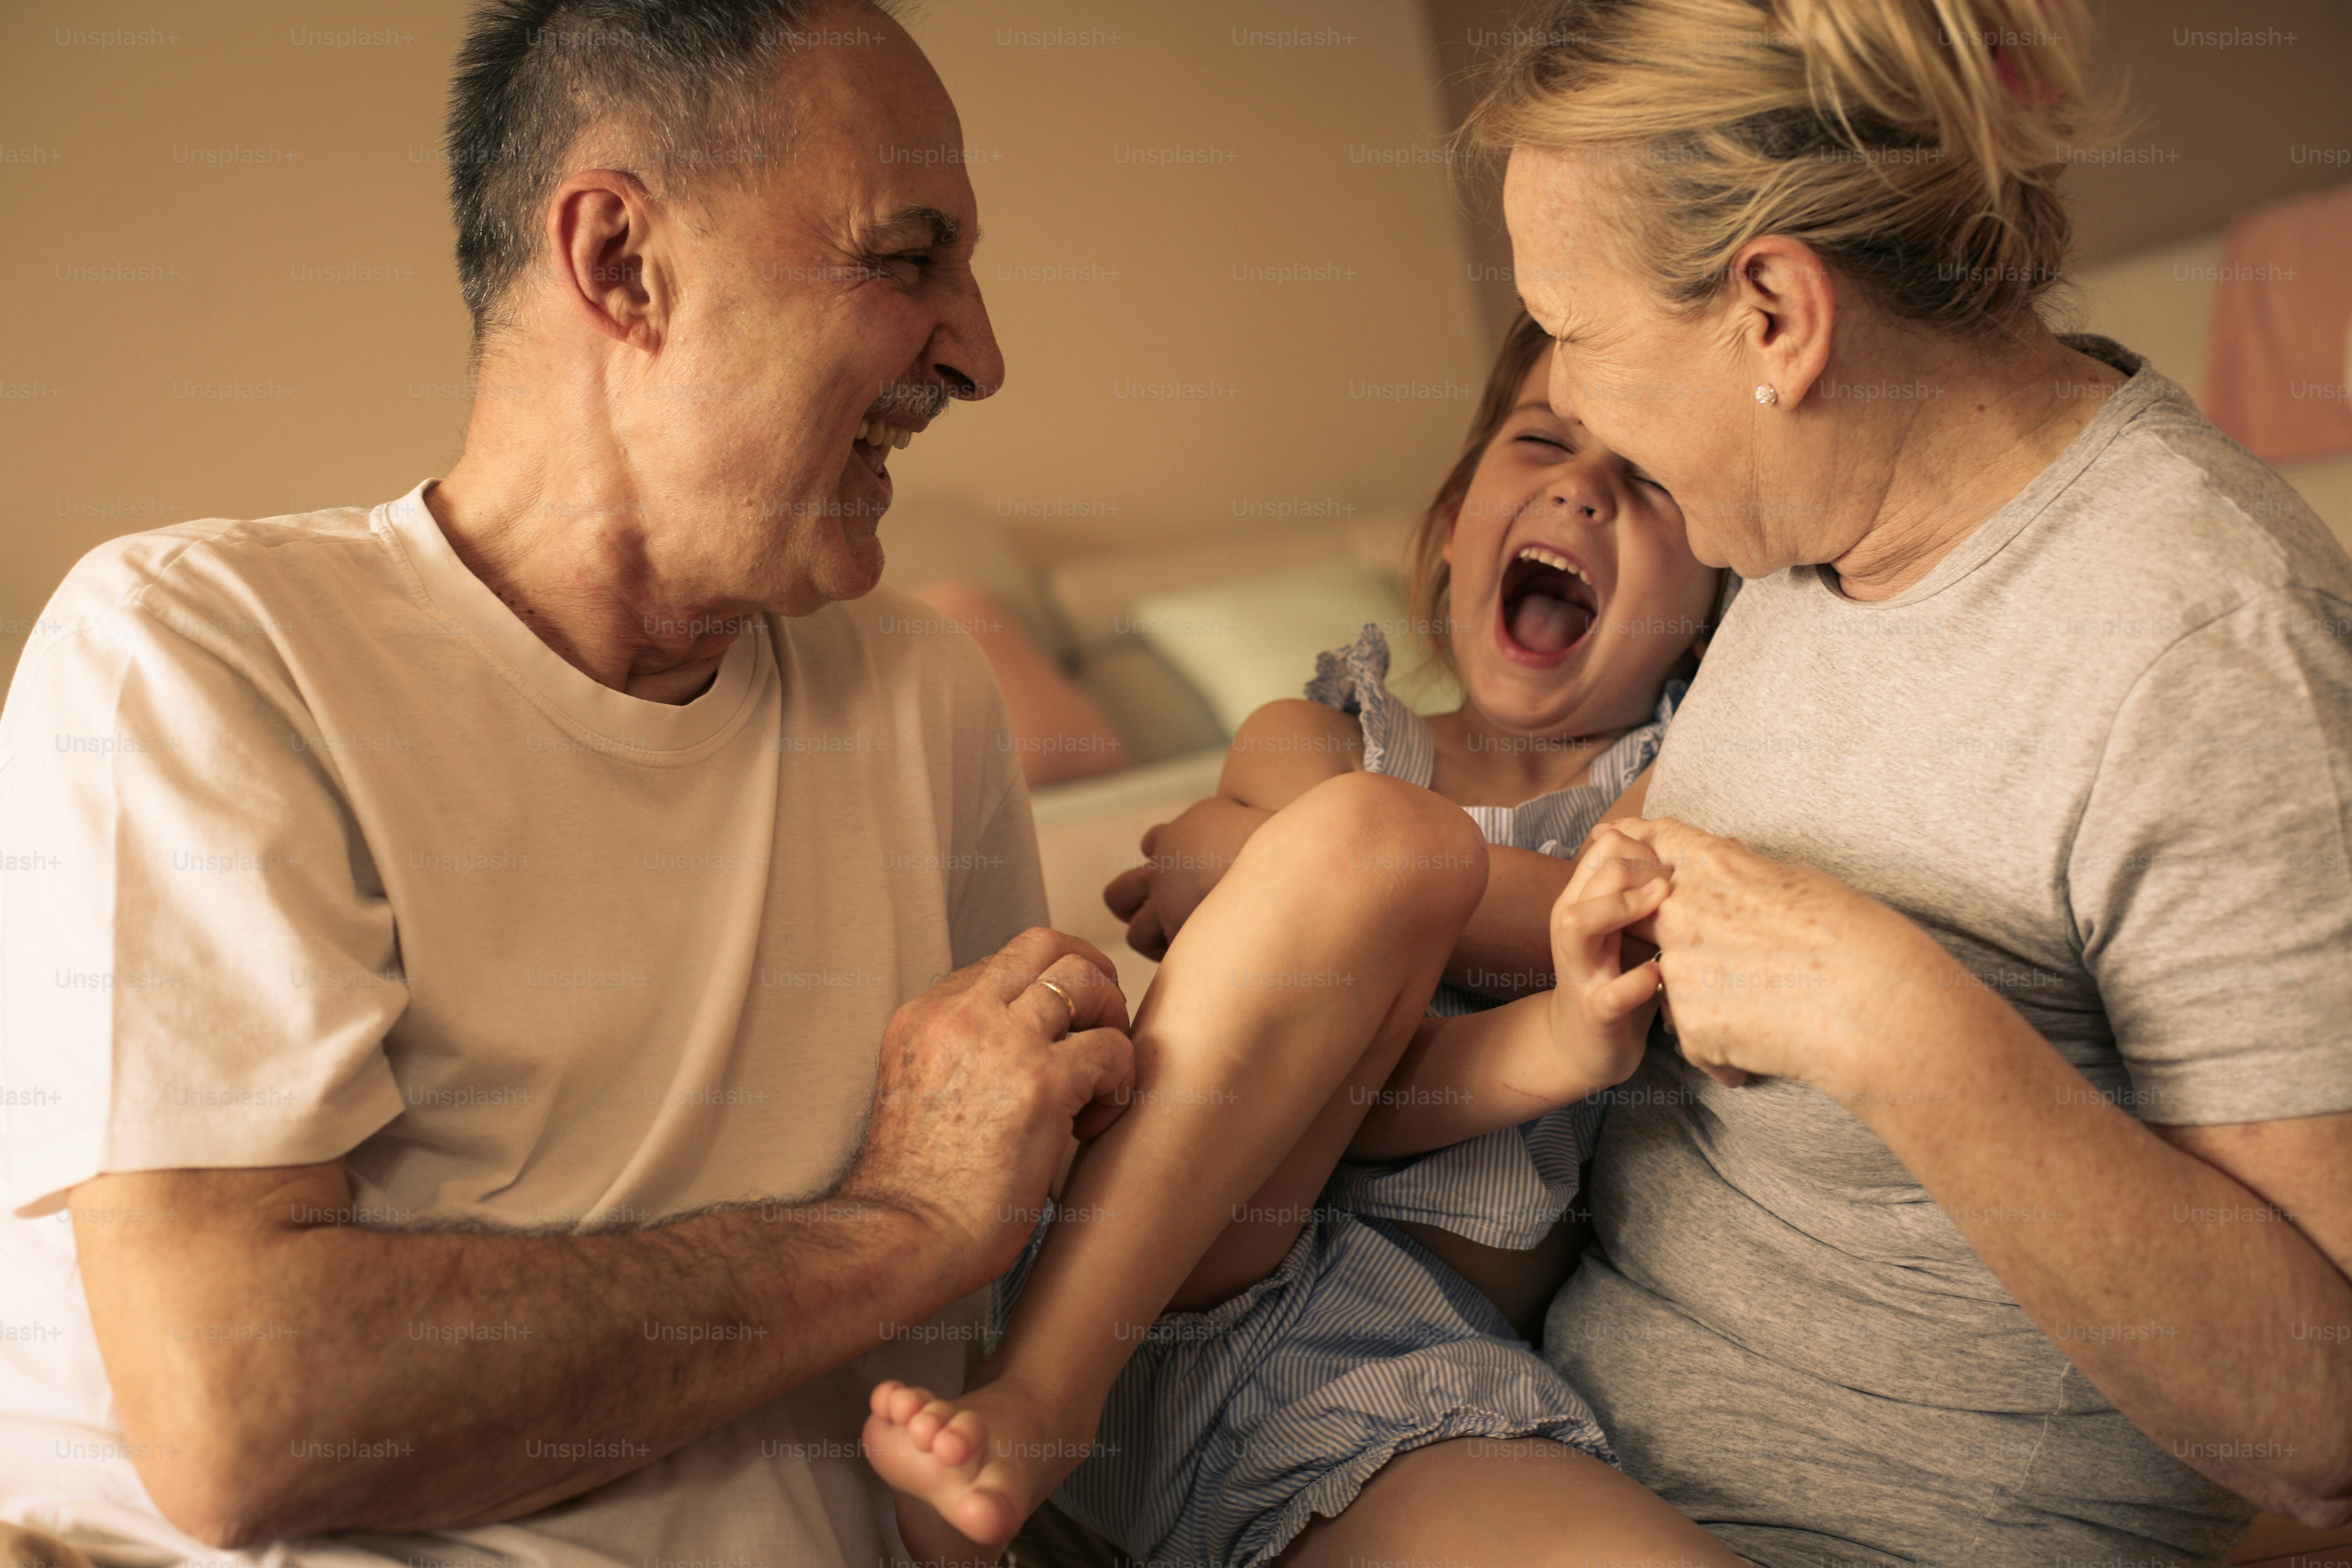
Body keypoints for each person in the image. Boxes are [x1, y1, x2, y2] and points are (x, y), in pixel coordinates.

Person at [0, 4, 1136, 1566]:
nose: (981, 352)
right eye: (906, 257)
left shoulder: (919, 703)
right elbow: (244, 1410)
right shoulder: (204, 648)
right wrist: (897, 1227)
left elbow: (1019, 1312)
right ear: (620, 264)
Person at [1451, 2, 2350, 1565]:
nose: (1570, 401)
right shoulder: (1799, 532)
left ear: (1777, 319)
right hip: (1554, 1448)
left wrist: (1895, 1026)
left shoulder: (2205, 645)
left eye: (1574, 329)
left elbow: (2332, 1432)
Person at [864, 313, 1748, 1568]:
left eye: (1651, 475)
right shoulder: (1321, 733)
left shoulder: (1676, 788)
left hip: (1398, 1387)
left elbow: (1403, 994)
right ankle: (1035, 1407)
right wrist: (1490, 957)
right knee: (1385, 842)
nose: (1581, 487)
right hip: (1173, 1270)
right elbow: (1323, 1014)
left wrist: (1235, 857)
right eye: (1542, 438)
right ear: (1453, 519)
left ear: (1723, 589)